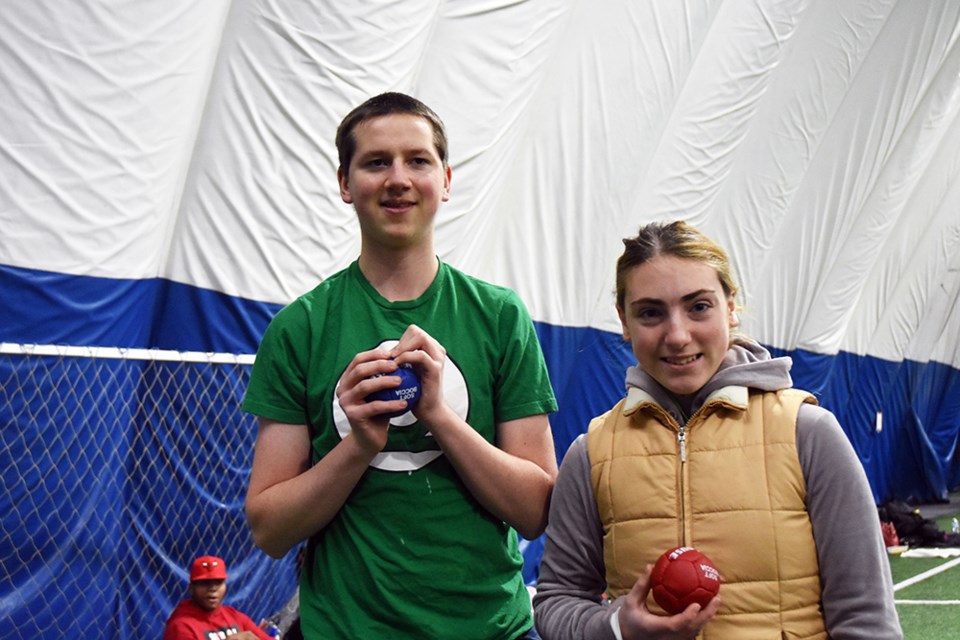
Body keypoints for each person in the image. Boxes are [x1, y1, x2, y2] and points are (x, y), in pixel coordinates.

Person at [243, 92, 558, 639]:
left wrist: (440, 417)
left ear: (446, 179)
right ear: (345, 183)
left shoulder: (499, 317)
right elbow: (270, 529)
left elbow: (535, 510)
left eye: (417, 160)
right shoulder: (302, 327)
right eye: (375, 162)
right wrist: (359, 445)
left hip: (489, 628)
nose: (397, 178)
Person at [532, 220, 903, 639]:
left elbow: (866, 617)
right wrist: (618, 626)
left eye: (699, 307)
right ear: (624, 321)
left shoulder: (808, 434)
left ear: (730, 307)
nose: (677, 335)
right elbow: (556, 603)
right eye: (651, 313)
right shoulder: (594, 453)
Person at [162, 555, 272, 640]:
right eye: (205, 583)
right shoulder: (181, 625)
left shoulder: (235, 616)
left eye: (218, 583)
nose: (212, 589)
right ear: (191, 588)